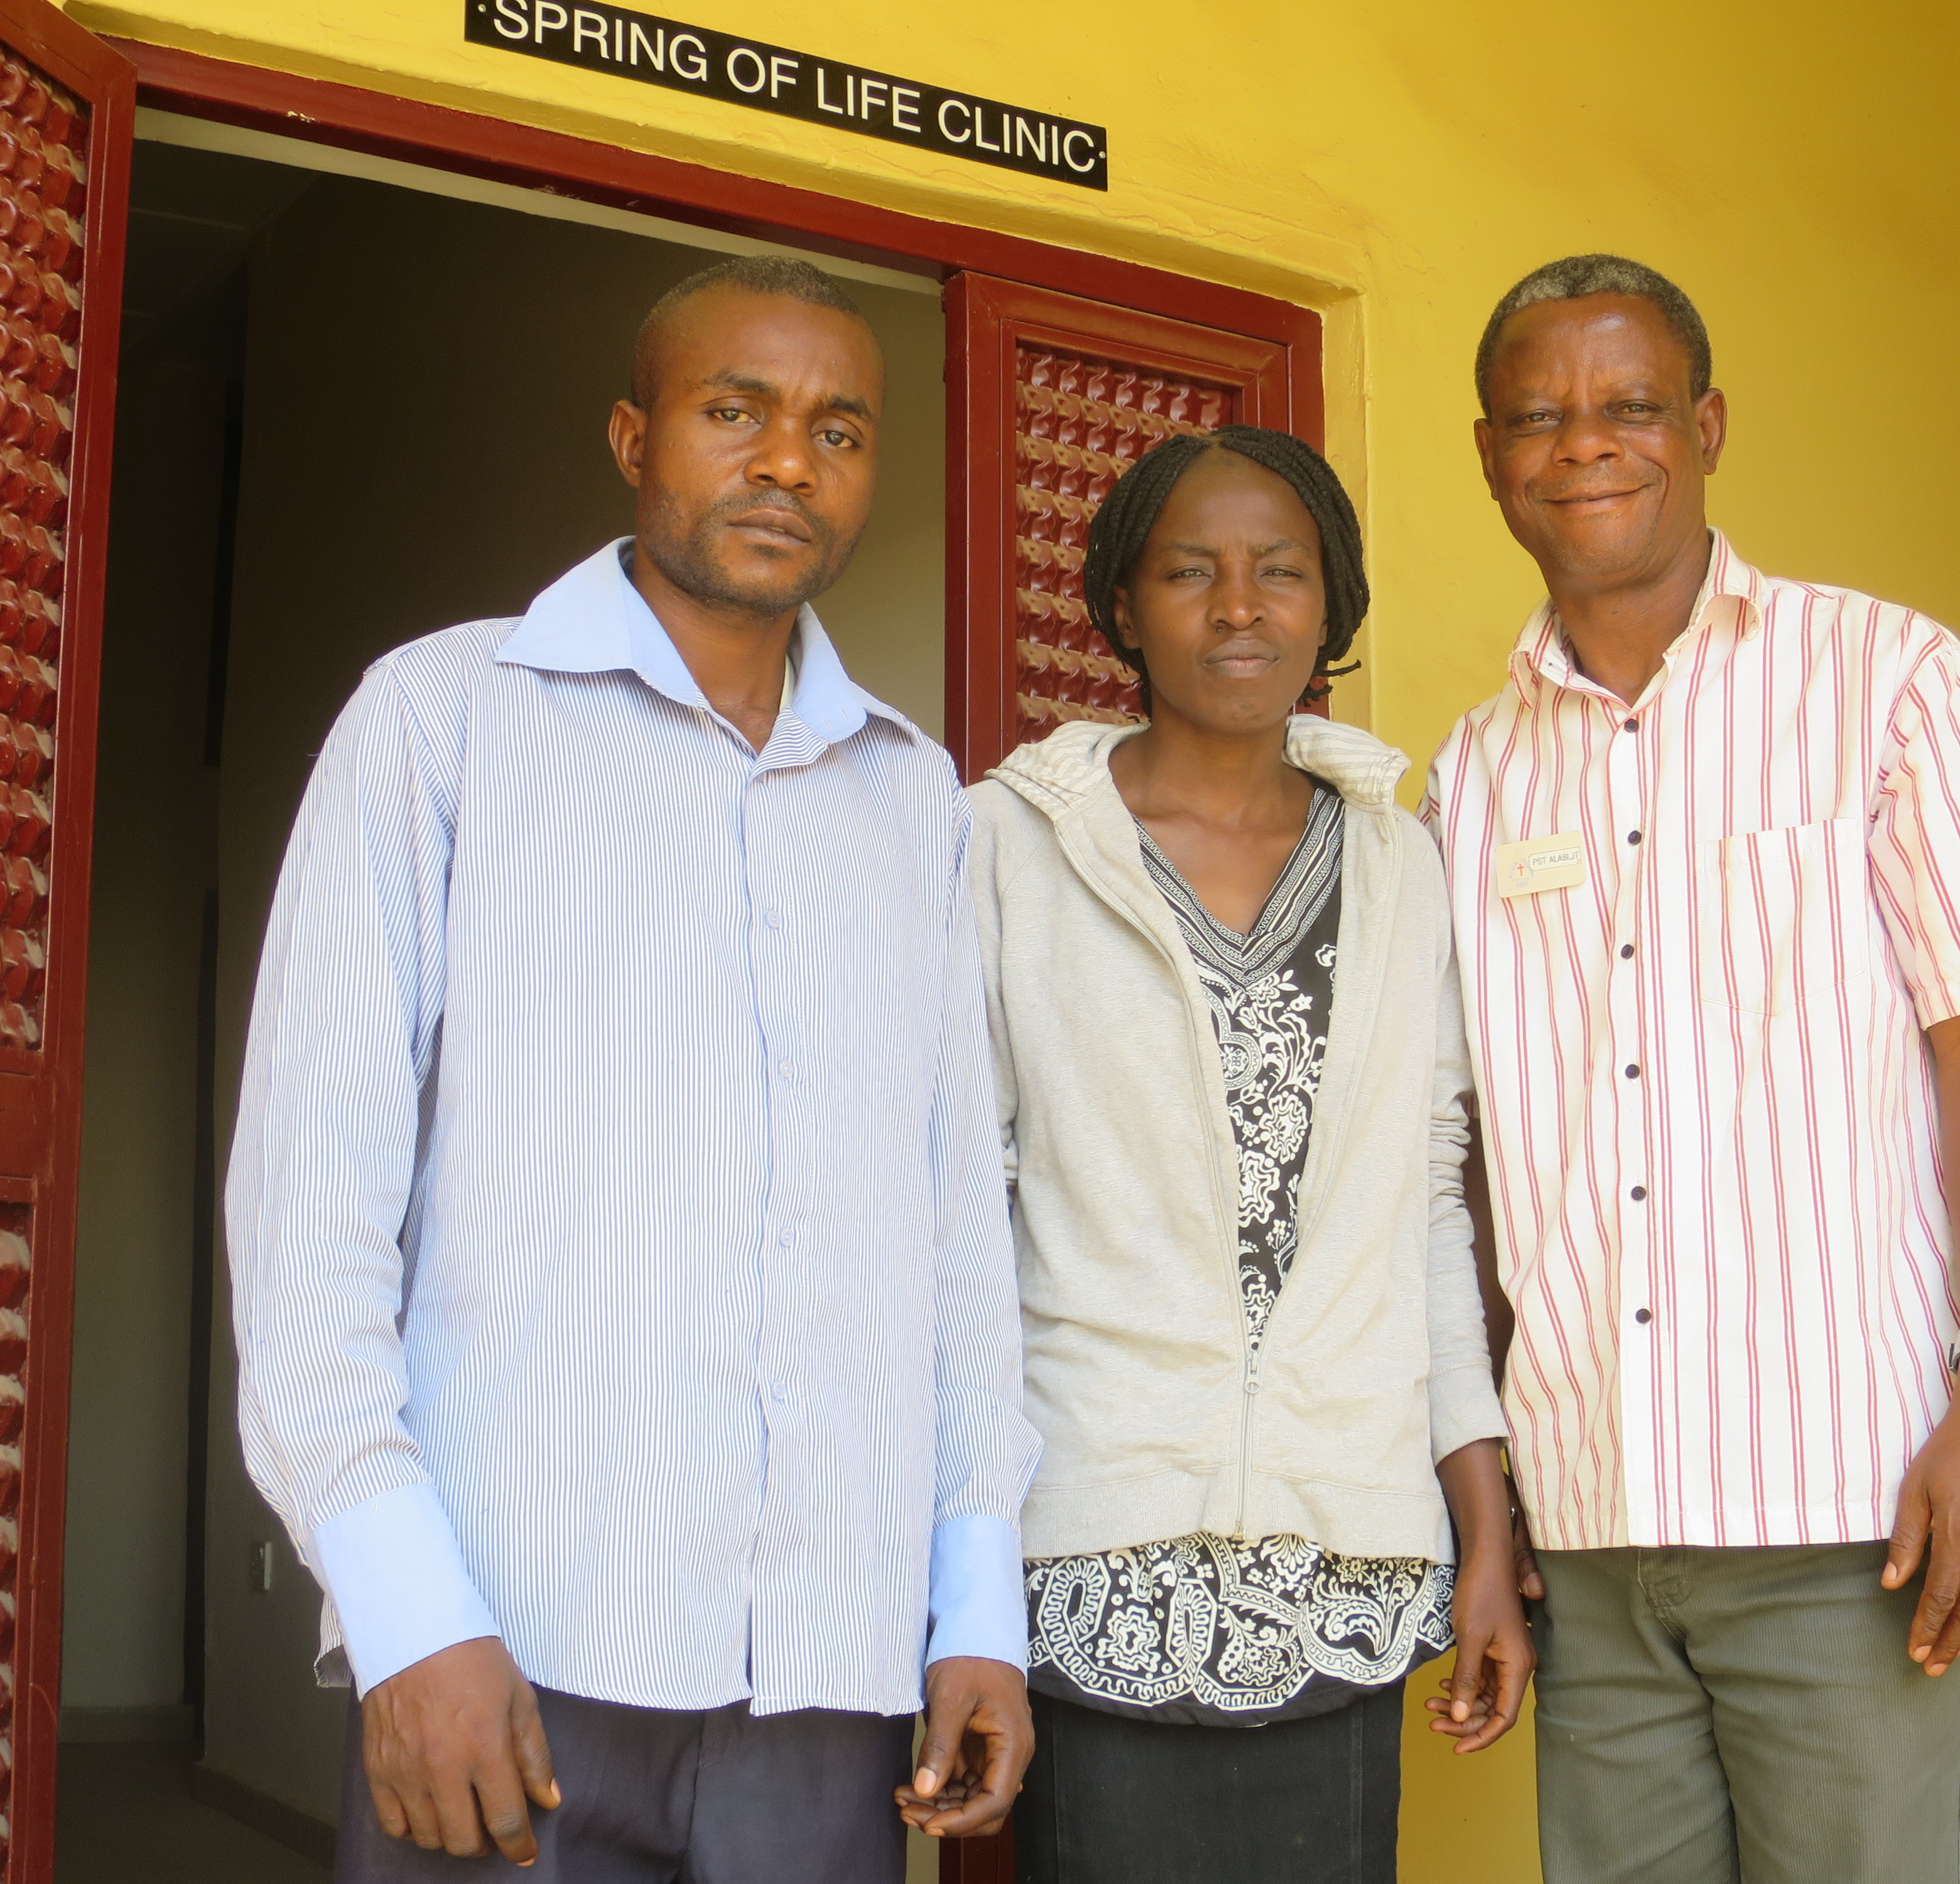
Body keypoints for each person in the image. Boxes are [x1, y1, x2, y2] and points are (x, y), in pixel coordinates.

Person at [227, 256, 1039, 1881]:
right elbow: (311, 1213)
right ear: (631, 438)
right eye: (735, 412)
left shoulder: (909, 797)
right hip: (504, 1653)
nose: (787, 461)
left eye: (837, 430)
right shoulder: (442, 721)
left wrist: (976, 1607)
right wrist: (404, 1617)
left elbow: (953, 1231)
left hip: (827, 1674)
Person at [1423, 254, 1960, 1884]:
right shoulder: (1471, 774)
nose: (1583, 443)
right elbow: (1476, 1161)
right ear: (1487, 455)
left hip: (1853, 1513)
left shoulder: (1888, 680)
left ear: (1709, 427)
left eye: (1630, 405)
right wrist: (1493, 1505)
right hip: (1588, 1533)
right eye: (1536, 416)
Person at [956, 425, 1533, 1884]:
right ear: (1120, 602)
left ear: (1330, 602)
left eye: (1279, 571)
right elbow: (955, 1215)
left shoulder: (1400, 864)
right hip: (1088, 1531)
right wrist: (959, 1565)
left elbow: (1426, 1213)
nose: (1236, 607)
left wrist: (1479, 1527)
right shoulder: (1002, 847)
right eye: (1187, 572)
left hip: (1343, 1543)